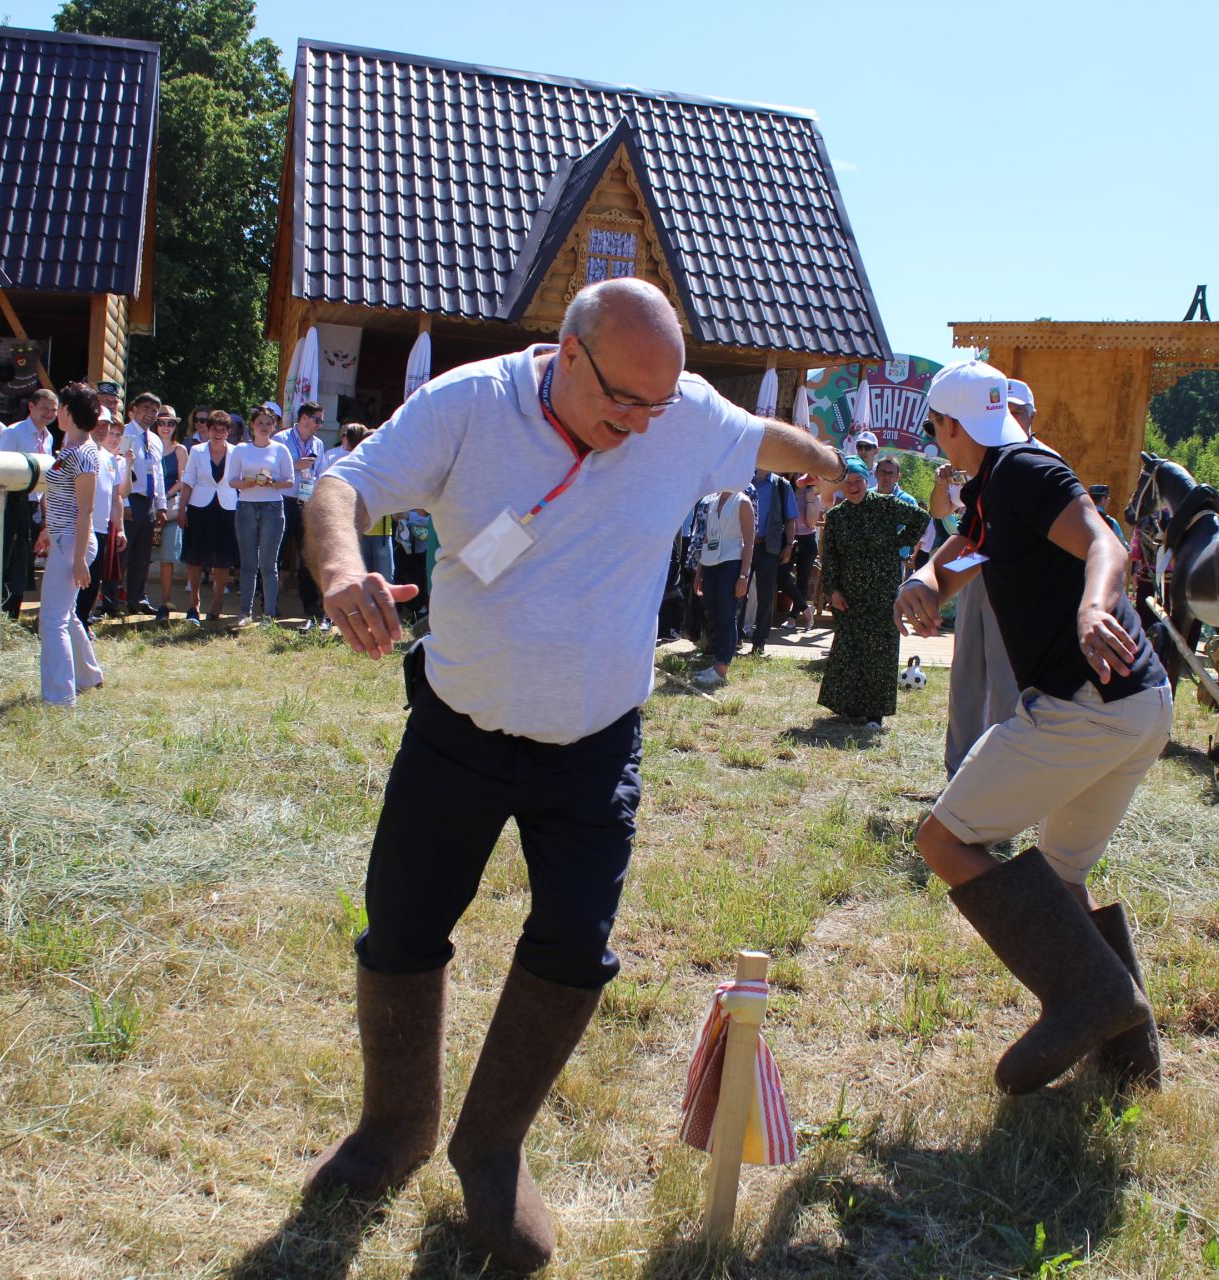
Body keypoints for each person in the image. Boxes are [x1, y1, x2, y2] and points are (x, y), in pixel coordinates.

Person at [301, 278, 843, 1272]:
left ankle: (491, 1144)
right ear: (567, 351)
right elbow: (343, 487)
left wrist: (827, 465)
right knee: (404, 924)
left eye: (658, 406)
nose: (640, 427)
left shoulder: (676, 414)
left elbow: (766, 435)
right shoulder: (469, 403)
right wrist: (343, 572)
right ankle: (395, 1127)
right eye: (621, 401)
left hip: (595, 743)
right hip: (458, 728)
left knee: (573, 944)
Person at [896, 358, 1171, 1095]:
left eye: (936, 431)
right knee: (1059, 878)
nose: (938, 445)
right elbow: (971, 546)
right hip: (1140, 706)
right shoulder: (1003, 477)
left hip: (1083, 706)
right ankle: (1128, 1061)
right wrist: (928, 579)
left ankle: (1086, 998)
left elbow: (1106, 544)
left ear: (953, 426)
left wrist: (1092, 607)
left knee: (944, 839)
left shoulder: (1020, 472)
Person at [818, 459, 928, 727]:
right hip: (849, 595)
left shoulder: (885, 504)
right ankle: (849, 708)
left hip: (883, 593)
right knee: (849, 650)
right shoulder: (836, 516)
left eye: (858, 481)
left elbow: (921, 518)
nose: (853, 487)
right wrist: (833, 591)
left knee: (880, 651)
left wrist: (899, 543)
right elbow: (830, 557)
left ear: (867, 481)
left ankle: (875, 713)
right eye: (848, 482)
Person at [932, 449, 1019, 776]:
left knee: (1004, 673)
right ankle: (960, 768)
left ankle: (1000, 768)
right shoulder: (967, 464)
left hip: (1011, 575)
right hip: (973, 567)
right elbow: (941, 513)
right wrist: (943, 484)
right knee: (966, 667)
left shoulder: (1027, 462)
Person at [36, 383, 105, 704]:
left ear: (68, 411)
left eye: (60, 407)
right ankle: (89, 676)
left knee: (52, 620)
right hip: (65, 540)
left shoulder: (83, 454)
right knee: (67, 615)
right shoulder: (71, 450)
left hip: (73, 543)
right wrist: (49, 531)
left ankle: (59, 697)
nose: (56, 412)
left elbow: (86, 509)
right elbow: (63, 501)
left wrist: (78, 559)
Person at [227, 403, 296, 628]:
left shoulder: (280, 449)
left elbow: (290, 481)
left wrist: (273, 482)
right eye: (260, 423)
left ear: (274, 426)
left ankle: (268, 614)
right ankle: (245, 612)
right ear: (252, 425)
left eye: (269, 423)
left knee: (269, 565)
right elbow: (232, 480)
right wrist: (246, 483)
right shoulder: (240, 449)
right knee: (248, 563)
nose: (264, 427)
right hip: (246, 507)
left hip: (272, 508)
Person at [0, 389, 57, 620]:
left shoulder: (49, 437)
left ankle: (13, 615)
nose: (49, 414)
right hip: (12, 502)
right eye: (44, 408)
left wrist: (45, 517)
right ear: (31, 407)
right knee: (9, 560)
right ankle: (0, 613)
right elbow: (0, 469)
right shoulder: (14, 433)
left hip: (35, 505)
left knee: (25, 563)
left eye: (53, 410)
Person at [275, 401, 332, 630]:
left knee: (307, 555)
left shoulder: (318, 443)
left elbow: (321, 472)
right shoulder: (281, 439)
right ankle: (269, 603)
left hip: (306, 503)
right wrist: (295, 465)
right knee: (275, 553)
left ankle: (311, 606)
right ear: (304, 418)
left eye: (321, 420)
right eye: (317, 420)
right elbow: (274, 470)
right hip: (282, 501)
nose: (319, 425)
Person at [179, 409, 238, 626]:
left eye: (223, 429)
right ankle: (193, 603)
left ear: (228, 431)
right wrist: (182, 509)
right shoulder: (197, 450)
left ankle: (217, 601)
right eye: (214, 429)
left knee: (223, 559)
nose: (218, 433)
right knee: (195, 558)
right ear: (208, 429)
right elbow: (188, 480)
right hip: (199, 507)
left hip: (227, 508)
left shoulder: (236, 452)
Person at [692, 484, 755, 688]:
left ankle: (722, 668)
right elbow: (707, 538)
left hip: (732, 563)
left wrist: (744, 575)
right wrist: (699, 573)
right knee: (715, 614)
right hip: (710, 563)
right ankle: (717, 663)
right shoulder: (712, 500)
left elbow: (749, 542)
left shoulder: (743, 501)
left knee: (727, 616)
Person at [78, 412, 129, 629]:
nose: (101, 429)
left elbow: (116, 495)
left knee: (94, 578)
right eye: (98, 424)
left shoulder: (110, 459)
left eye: (105, 425)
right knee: (75, 578)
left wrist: (120, 529)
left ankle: (84, 622)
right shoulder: (79, 451)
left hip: (101, 528)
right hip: (79, 526)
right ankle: (72, 621)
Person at [120, 391, 167, 615]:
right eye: (146, 408)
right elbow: (120, 470)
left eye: (154, 410)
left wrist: (162, 505)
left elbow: (157, 473)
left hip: (148, 502)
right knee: (122, 552)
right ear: (134, 410)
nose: (150, 414)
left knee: (142, 554)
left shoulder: (155, 440)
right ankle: (114, 598)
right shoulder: (125, 434)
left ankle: (137, 598)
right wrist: (124, 502)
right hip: (129, 500)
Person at [744, 467, 797, 656]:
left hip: (769, 547)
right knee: (738, 593)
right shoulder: (743, 479)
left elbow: (791, 519)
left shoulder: (782, 485)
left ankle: (759, 642)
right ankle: (733, 640)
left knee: (766, 596)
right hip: (743, 546)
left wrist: (789, 545)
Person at [339, 422, 396, 579]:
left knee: (386, 580)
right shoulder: (355, 467)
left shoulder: (387, 468)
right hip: (360, 532)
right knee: (361, 580)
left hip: (383, 533)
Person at [152, 405, 191, 620]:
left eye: (170, 423)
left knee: (167, 557)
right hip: (147, 506)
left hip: (168, 507)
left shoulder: (179, 450)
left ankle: (165, 601)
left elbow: (183, 480)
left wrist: (163, 496)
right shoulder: (148, 446)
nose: (165, 427)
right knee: (139, 556)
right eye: (161, 422)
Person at [789, 473, 826, 628]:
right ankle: (806, 608)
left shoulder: (815, 493)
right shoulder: (786, 489)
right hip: (788, 538)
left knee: (803, 580)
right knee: (783, 575)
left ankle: (792, 617)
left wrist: (810, 500)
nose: (799, 474)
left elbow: (811, 523)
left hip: (807, 540)